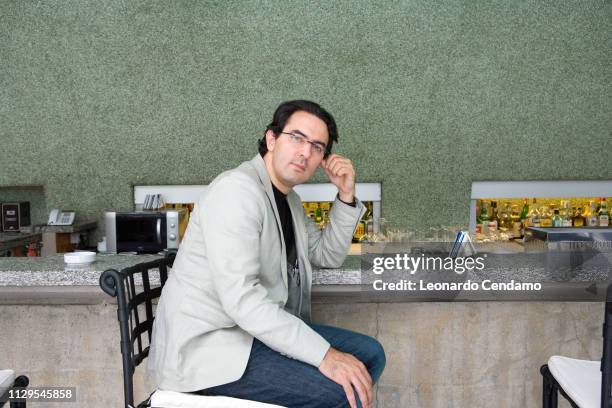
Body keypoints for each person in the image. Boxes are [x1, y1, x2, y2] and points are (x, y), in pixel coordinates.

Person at [149, 100, 386, 408]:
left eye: (317, 147)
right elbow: (242, 300)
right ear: (272, 139)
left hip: (250, 336)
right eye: (297, 138)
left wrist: (346, 195)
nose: (305, 152)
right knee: (341, 392)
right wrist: (325, 356)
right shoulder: (237, 191)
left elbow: (326, 255)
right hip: (211, 348)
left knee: (370, 354)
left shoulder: (289, 201)